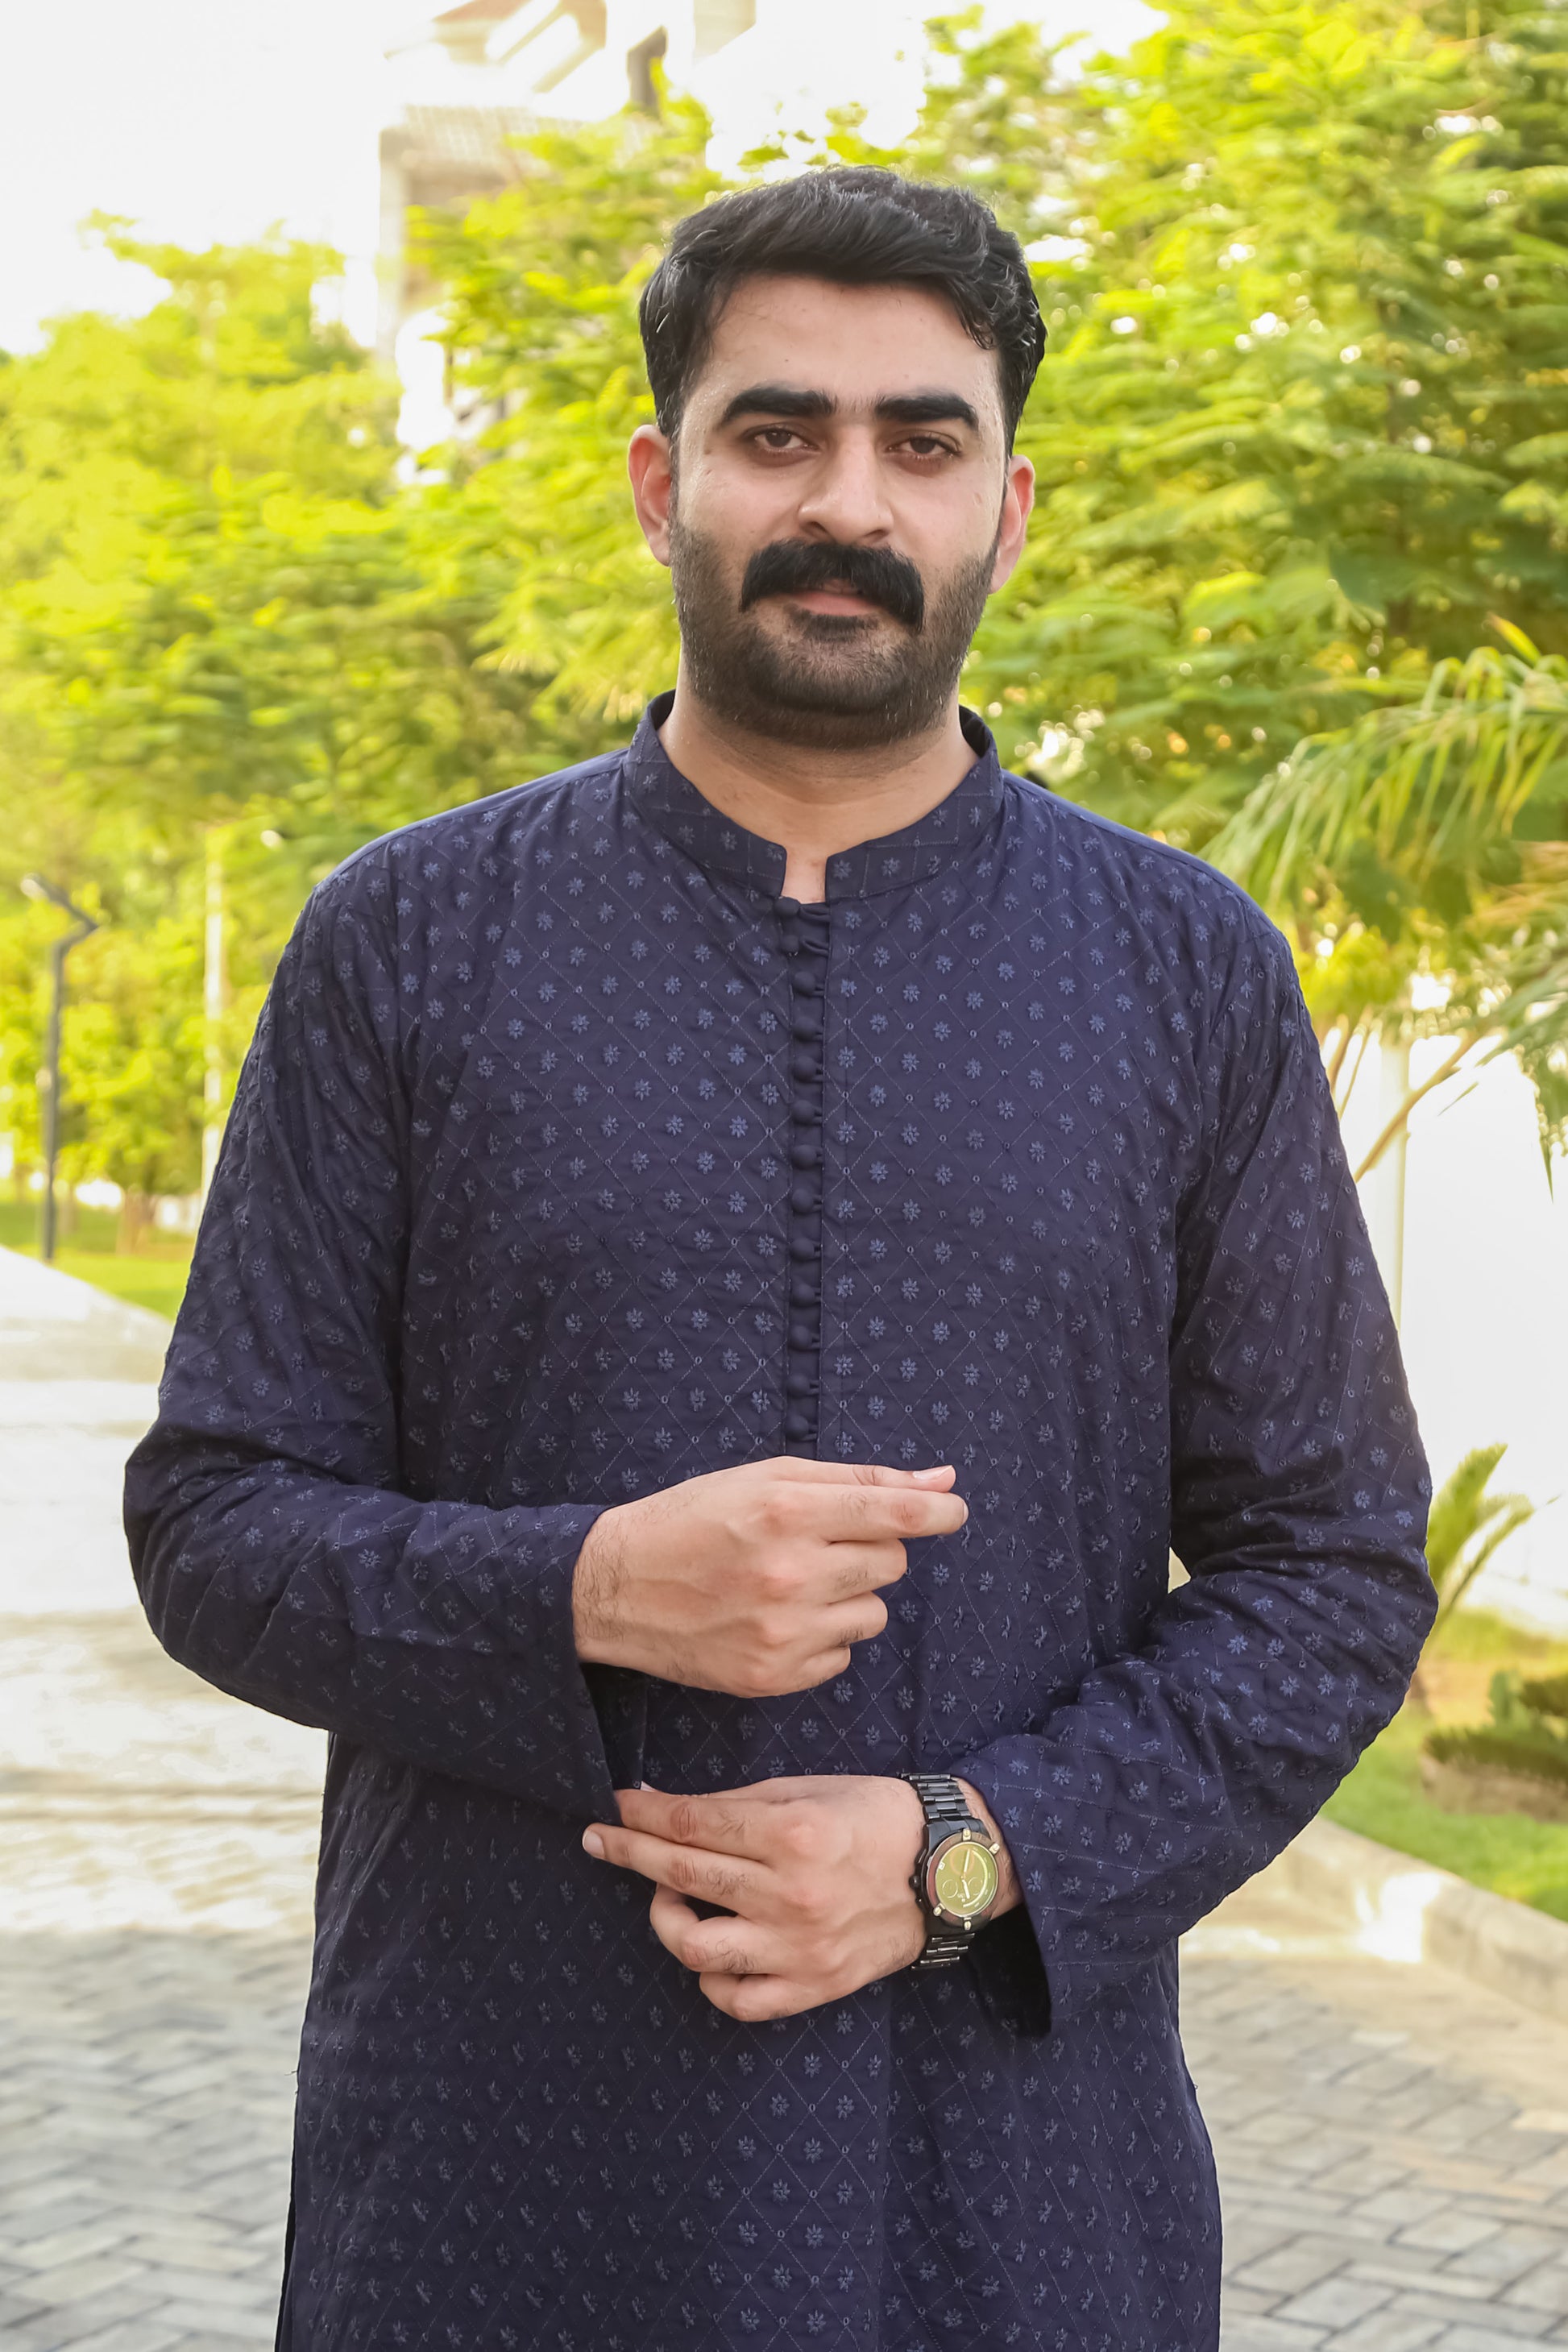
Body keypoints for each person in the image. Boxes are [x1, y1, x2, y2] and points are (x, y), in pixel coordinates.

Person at [126, 167, 1434, 2352]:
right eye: (776, 432)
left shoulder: (1184, 971)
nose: (848, 500)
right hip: (491, 2181)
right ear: (663, 482)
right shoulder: (409, 941)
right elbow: (213, 1522)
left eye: (920, 441)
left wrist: (960, 1853)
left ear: (1008, 507)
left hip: (1017, 2207)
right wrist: (579, 1588)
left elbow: (1333, 1571)